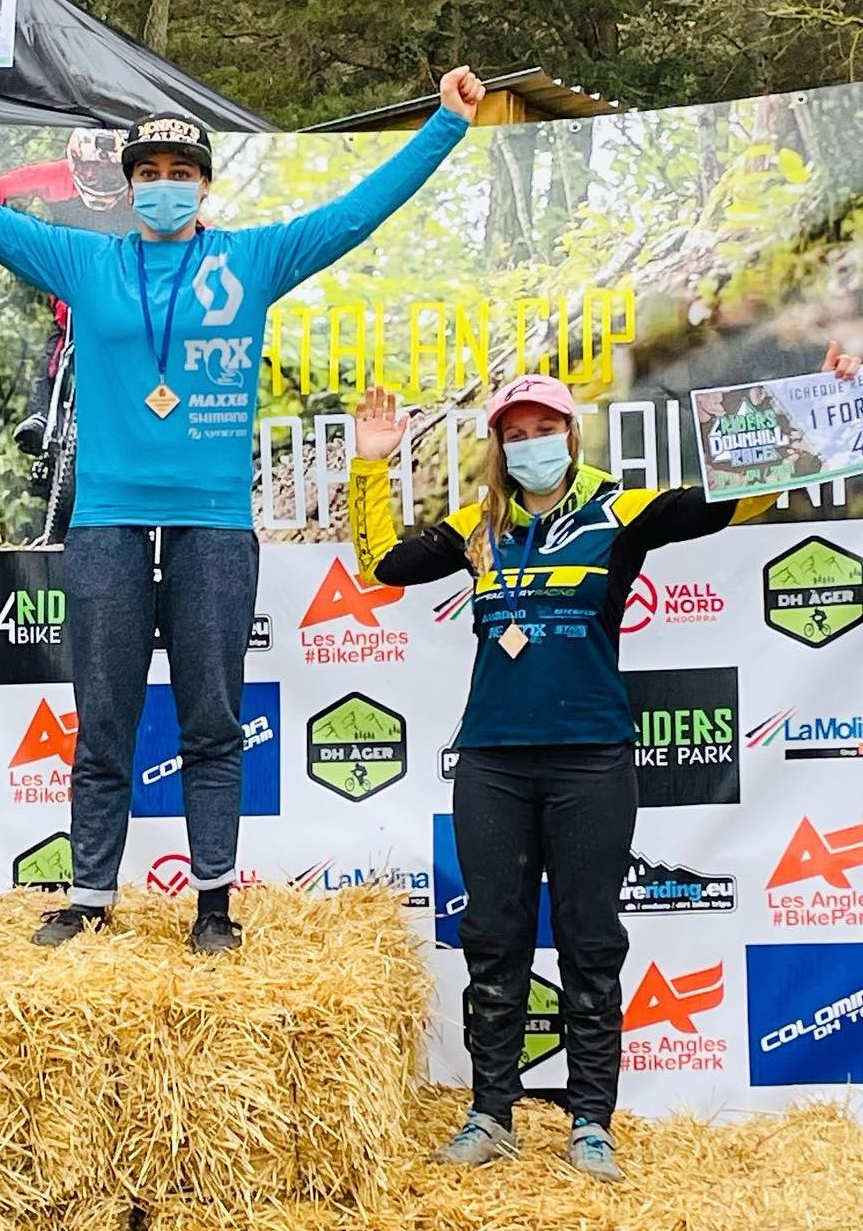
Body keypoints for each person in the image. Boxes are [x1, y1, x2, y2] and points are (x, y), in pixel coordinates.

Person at [0, 62, 483, 952]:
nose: (165, 185)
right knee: (104, 722)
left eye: (181, 172)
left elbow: (354, 215)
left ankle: (213, 907)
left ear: (205, 185)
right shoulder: (85, 260)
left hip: (215, 525)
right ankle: (89, 897)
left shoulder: (250, 260)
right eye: (150, 173)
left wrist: (445, 126)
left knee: (212, 724)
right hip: (107, 524)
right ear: (130, 187)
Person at [347, 351, 858, 1180]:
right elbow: (381, 564)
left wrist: (815, 408)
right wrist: (371, 463)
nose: (531, 443)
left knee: (590, 940)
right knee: (493, 938)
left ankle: (591, 1122)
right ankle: (490, 1113)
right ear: (499, 447)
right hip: (492, 762)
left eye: (545, 428)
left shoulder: (618, 509)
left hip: (592, 760)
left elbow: (730, 500)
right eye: (516, 433)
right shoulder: (480, 527)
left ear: (571, 434)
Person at [0, 128, 132, 455]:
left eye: (110, 172)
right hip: (69, 280)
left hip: (123, 281)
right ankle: (40, 414)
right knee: (63, 335)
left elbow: (191, 221)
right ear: (75, 164)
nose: (100, 179)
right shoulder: (56, 175)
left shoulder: (140, 186)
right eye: (91, 170)